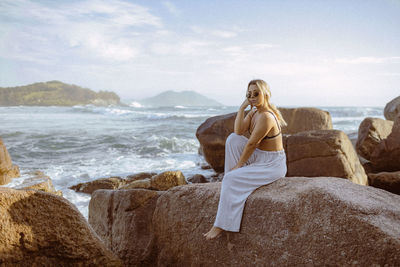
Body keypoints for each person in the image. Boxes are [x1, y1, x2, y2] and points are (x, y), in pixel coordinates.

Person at [203, 79, 287, 240]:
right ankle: (232, 181)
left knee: (231, 177)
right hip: (261, 157)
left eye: (256, 93)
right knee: (233, 139)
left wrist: (239, 166)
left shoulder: (267, 116)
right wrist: (242, 108)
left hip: (272, 164)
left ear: (266, 94)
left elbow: (251, 144)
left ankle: (221, 225)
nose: (252, 97)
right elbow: (238, 131)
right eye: (249, 94)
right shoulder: (255, 112)